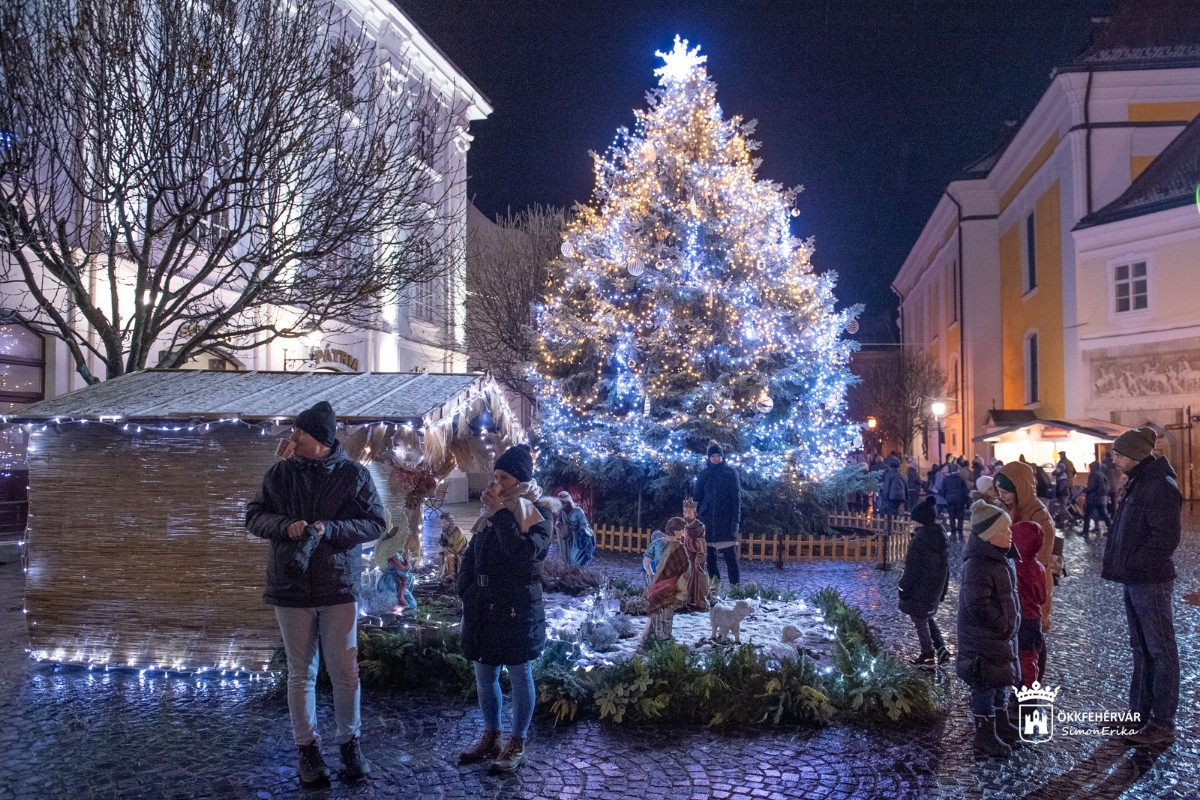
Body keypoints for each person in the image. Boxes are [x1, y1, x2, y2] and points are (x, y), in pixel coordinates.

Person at [245, 401, 386, 786]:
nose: (292, 437)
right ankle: (308, 751)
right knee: (301, 673)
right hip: (291, 587)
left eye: (299, 433)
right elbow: (254, 516)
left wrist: (330, 530)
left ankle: (349, 744)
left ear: (320, 440)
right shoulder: (279, 475)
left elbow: (376, 522)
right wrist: (286, 526)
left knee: (345, 672)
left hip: (337, 586)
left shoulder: (354, 476)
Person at [457, 444, 551, 772]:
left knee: (520, 673)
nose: (496, 483)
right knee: (485, 673)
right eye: (495, 476)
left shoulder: (533, 510)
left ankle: (517, 740)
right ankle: (491, 735)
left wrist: (500, 514)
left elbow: (524, 556)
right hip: (483, 605)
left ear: (520, 480)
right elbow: (473, 551)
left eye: (504, 476)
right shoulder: (490, 513)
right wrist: (465, 587)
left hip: (515, 606)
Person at [1102, 427, 1181, 747]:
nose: (1114, 458)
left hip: (1151, 581)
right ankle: (1138, 714)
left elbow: (1166, 539)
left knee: (1160, 650)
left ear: (1135, 455)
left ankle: (1161, 722)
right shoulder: (1138, 482)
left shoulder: (1159, 485)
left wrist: (1134, 562)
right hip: (1135, 579)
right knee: (1141, 649)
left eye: (1118, 454)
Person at [957, 500, 1021, 757]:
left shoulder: (999, 557)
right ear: (988, 535)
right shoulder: (978, 564)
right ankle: (984, 734)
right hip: (982, 638)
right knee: (984, 684)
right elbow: (977, 603)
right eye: (1004, 530)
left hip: (998, 637)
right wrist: (1002, 622)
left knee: (999, 680)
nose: (1010, 534)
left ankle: (1001, 723)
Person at [993, 461, 1057, 637]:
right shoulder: (1005, 509)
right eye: (999, 492)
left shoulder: (1040, 516)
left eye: (1005, 492)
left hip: (1029, 588)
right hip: (1010, 584)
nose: (1001, 496)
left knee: (1030, 644)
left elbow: (1042, 561)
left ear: (1020, 490)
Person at [898, 497, 950, 668]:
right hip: (934, 589)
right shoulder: (939, 538)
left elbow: (912, 569)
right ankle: (941, 647)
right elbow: (946, 569)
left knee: (920, 621)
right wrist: (943, 591)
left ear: (918, 520)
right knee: (927, 617)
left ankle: (927, 654)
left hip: (920, 590)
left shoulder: (919, 542)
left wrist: (903, 587)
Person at [695, 441, 741, 587]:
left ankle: (735, 590)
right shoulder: (703, 475)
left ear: (722, 457)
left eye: (718, 456)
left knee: (731, 558)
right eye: (713, 456)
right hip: (707, 521)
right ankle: (716, 589)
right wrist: (698, 515)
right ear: (708, 458)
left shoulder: (730, 473)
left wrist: (735, 521)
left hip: (726, 521)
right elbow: (697, 497)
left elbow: (736, 498)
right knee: (711, 560)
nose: (716, 458)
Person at [641, 516, 689, 645]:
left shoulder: (657, 543)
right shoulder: (679, 547)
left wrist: (652, 575)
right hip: (671, 585)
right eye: (682, 529)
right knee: (666, 612)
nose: (684, 532)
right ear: (675, 530)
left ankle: (647, 637)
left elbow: (646, 562)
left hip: (656, 583)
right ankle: (662, 639)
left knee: (655, 611)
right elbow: (685, 569)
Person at [1010, 521, 1046, 691]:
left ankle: (1023, 696)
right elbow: (1042, 597)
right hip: (1034, 619)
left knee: (1018, 656)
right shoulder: (1038, 568)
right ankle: (1030, 694)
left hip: (1019, 617)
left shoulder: (1013, 566)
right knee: (1031, 658)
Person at [681, 498, 709, 611]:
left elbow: (699, 543)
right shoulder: (681, 525)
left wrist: (686, 537)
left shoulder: (699, 526)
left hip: (695, 557)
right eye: (685, 512)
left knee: (695, 579)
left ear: (694, 513)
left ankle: (696, 601)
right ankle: (683, 600)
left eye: (690, 512)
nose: (687, 514)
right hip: (683, 557)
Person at [554, 490, 595, 565]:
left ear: (568, 502)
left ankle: (576, 571)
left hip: (577, 538)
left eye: (564, 502)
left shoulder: (578, 511)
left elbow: (584, 524)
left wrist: (579, 530)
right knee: (567, 557)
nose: (562, 505)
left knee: (573, 557)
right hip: (567, 538)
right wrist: (558, 523)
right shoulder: (562, 511)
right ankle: (569, 572)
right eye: (561, 503)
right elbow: (559, 520)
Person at [1083, 461, 1112, 539]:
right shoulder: (1102, 474)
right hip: (1102, 498)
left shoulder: (1093, 475)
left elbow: (1091, 487)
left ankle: (1085, 531)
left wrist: (1084, 490)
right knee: (1104, 514)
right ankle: (1111, 528)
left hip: (1093, 498)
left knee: (1087, 515)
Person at [942, 464, 970, 541]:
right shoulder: (961, 478)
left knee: (951, 515)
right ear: (957, 470)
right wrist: (967, 503)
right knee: (960, 515)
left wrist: (947, 497)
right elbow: (965, 491)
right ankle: (960, 530)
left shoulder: (946, 479)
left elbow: (943, 490)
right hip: (960, 499)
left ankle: (953, 529)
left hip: (949, 498)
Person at [438, 514, 468, 581]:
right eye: (441, 522)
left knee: (449, 556)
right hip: (449, 551)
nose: (442, 524)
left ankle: (451, 576)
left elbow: (455, 550)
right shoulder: (446, 531)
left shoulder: (458, 532)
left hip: (460, 554)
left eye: (444, 522)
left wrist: (444, 549)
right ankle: (444, 574)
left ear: (450, 522)